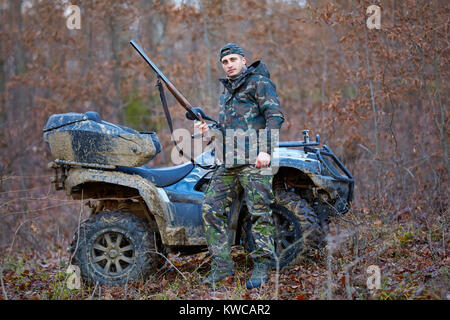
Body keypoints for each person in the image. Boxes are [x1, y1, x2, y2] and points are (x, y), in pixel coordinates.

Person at [195, 43, 284, 289]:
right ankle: (222, 267)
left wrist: (266, 150)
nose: (229, 64)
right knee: (210, 209)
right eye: (225, 62)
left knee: (259, 213)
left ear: (244, 60)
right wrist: (208, 131)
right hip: (229, 162)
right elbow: (225, 129)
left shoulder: (259, 83)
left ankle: (262, 266)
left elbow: (274, 116)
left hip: (256, 160)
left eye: (233, 59)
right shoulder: (226, 92)